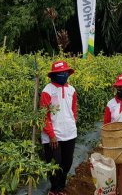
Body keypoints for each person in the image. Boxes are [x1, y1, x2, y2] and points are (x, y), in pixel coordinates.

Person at [40, 61, 77, 195]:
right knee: (55, 164)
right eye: (59, 73)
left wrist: (72, 123)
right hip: (53, 135)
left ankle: (61, 188)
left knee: (67, 163)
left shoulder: (71, 90)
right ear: (53, 75)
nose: (62, 74)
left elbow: (74, 110)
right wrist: (51, 134)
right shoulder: (47, 90)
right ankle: (54, 190)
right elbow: (44, 116)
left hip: (70, 133)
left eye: (64, 72)